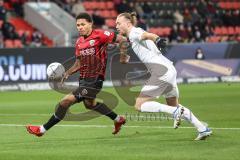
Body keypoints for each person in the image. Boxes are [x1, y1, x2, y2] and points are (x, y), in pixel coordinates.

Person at [26, 12, 127, 137]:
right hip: (84, 80)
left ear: (90, 24)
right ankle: (118, 119)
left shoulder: (100, 35)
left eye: (83, 24)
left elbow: (122, 39)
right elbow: (78, 63)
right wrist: (67, 73)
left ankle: (42, 129)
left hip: (95, 81)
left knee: (65, 101)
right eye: (78, 25)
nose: (80, 27)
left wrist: (123, 57)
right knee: (90, 105)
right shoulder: (79, 42)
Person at [115, 12, 212, 140]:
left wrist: (157, 39)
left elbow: (147, 35)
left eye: (118, 23)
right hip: (169, 69)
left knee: (139, 105)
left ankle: (176, 113)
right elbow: (143, 38)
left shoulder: (133, 32)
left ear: (128, 24)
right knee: (173, 105)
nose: (116, 26)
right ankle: (202, 129)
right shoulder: (134, 34)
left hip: (161, 72)